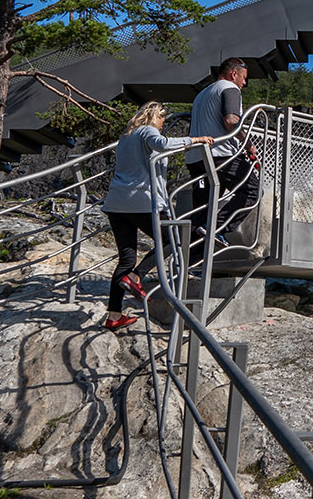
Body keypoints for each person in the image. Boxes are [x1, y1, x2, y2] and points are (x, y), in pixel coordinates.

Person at [100, 101, 214, 330]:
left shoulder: (127, 136)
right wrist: (195, 140)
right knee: (173, 240)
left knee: (126, 259)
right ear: (156, 117)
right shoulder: (147, 131)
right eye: (163, 119)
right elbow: (161, 144)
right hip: (141, 201)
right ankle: (136, 276)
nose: (163, 124)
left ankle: (114, 315)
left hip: (117, 203)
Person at [186, 57, 260, 261]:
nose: (244, 83)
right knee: (252, 190)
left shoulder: (202, 94)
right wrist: (248, 144)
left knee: (202, 212)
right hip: (220, 154)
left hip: (195, 158)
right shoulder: (229, 88)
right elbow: (231, 120)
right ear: (234, 73)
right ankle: (216, 228)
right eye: (244, 78)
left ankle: (189, 267)